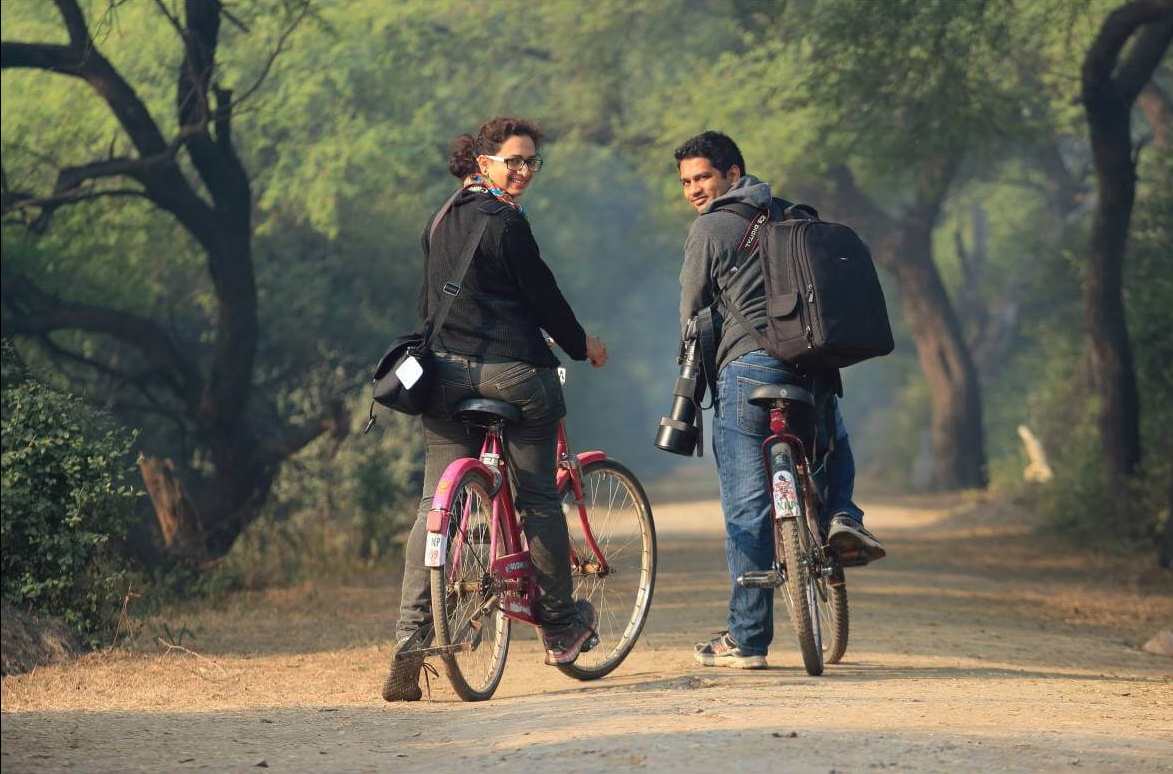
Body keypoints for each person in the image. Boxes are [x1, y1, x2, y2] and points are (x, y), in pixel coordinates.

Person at [383, 117, 609, 701]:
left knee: (433, 505)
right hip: (513, 376)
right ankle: (561, 627)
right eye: (514, 160)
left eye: (532, 161)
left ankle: (410, 639)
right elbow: (544, 297)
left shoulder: (441, 218)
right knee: (539, 501)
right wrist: (582, 344)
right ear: (483, 162)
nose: (524, 171)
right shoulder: (508, 222)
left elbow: (432, 300)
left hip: (444, 378)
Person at [673, 130, 885, 670]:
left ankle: (747, 640)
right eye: (687, 182)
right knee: (830, 440)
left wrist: (688, 379)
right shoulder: (794, 217)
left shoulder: (709, 228)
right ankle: (842, 515)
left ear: (733, 175)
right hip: (812, 364)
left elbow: (692, 312)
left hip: (746, 372)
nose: (694, 189)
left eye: (703, 177)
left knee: (748, 504)